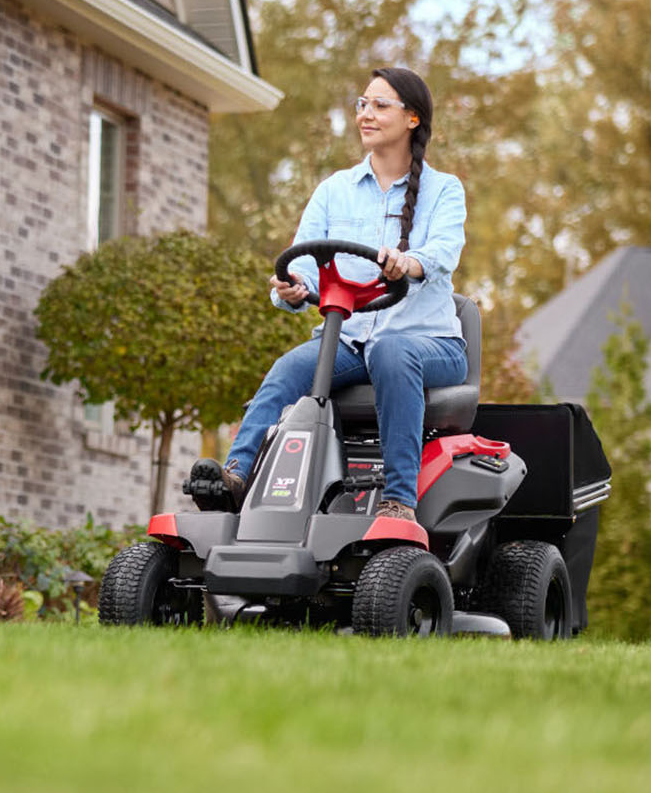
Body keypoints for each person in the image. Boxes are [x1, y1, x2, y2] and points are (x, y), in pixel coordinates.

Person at [186, 66, 468, 523]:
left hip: (429, 343)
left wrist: (408, 263)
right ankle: (235, 479)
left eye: (379, 105)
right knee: (289, 368)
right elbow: (303, 265)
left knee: (393, 350)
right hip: (351, 341)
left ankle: (399, 502)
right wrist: (294, 288)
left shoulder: (443, 190)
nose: (365, 115)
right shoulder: (334, 191)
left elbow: (442, 252)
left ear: (412, 118)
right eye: (362, 104)